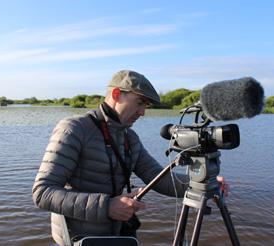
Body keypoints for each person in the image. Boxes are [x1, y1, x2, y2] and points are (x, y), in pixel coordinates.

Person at [32, 70, 189, 245]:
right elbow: (42, 193)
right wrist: (107, 206)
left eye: (146, 106)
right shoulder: (74, 129)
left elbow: (160, 178)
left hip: (115, 236)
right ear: (116, 94)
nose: (143, 112)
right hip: (79, 239)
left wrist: (204, 183)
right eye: (139, 103)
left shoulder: (130, 138)